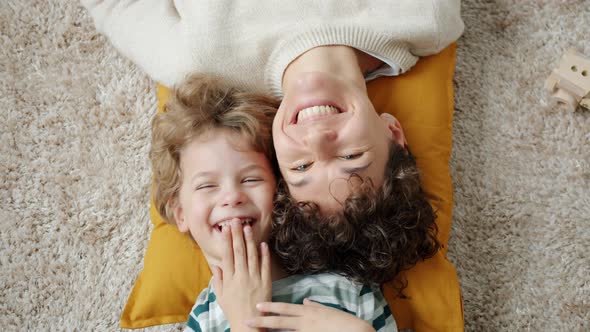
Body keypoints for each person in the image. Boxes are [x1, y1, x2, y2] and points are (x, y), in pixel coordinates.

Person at [82, 0, 464, 214]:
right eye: (351, 154)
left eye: (301, 167)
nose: (317, 138)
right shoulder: (424, 16)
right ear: (393, 133)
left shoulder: (198, 63)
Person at [150, 74, 397, 331]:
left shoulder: (347, 286)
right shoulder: (204, 319)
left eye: (250, 179)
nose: (232, 196)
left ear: (280, 192)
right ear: (180, 213)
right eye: (207, 185)